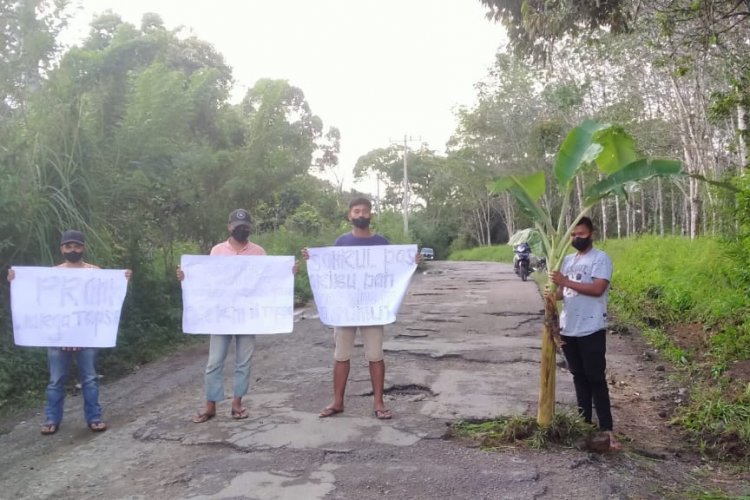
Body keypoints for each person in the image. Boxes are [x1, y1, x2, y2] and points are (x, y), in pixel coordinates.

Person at [303, 197, 420, 420]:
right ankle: (337, 402)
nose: (361, 215)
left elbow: (392, 272)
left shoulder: (382, 244)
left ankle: (379, 403)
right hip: (345, 308)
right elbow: (329, 270)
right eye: (356, 211)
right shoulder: (341, 243)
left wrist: (410, 260)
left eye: (365, 211)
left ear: (371, 215)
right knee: (341, 356)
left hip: (372, 309)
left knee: (375, 356)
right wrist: (313, 259)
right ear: (350, 216)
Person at [178, 208, 297, 423]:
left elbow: (268, 280)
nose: (241, 228)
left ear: (250, 227)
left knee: (244, 361)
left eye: (245, 225)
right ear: (229, 227)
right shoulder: (217, 251)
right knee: (214, 361)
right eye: (236, 225)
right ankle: (210, 405)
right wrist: (187, 276)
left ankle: (237, 404)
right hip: (221, 316)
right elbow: (207, 280)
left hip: (248, 316)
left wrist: (287, 273)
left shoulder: (258, 252)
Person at [7, 229, 132, 435]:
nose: (72, 249)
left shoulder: (95, 272)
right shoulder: (52, 274)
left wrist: (123, 278)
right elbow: (39, 300)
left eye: (76, 246)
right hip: (58, 337)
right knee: (56, 380)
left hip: (87, 336)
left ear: (83, 248)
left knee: (90, 379)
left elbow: (106, 298)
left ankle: (94, 418)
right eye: (68, 246)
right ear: (62, 249)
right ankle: (51, 419)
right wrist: (16, 279)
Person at [549, 216, 620, 451]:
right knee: (578, 377)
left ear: (591, 234)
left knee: (596, 378)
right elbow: (562, 293)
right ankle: (584, 423)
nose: (576, 238)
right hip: (569, 328)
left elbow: (598, 289)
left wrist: (565, 281)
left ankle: (607, 430)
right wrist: (551, 291)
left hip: (591, 327)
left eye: (580, 234)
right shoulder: (567, 260)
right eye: (573, 235)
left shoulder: (600, 259)